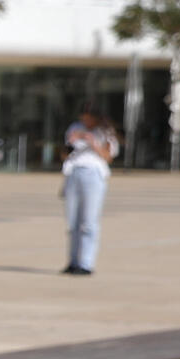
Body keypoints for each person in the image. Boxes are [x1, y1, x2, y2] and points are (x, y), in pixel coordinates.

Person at [60, 106, 115, 275]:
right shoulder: (74, 128)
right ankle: (73, 261)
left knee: (89, 221)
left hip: (94, 174)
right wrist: (71, 140)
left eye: (87, 118)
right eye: (82, 118)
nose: (85, 121)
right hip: (73, 172)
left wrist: (92, 142)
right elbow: (64, 154)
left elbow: (108, 157)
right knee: (73, 221)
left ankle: (86, 263)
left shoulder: (105, 132)